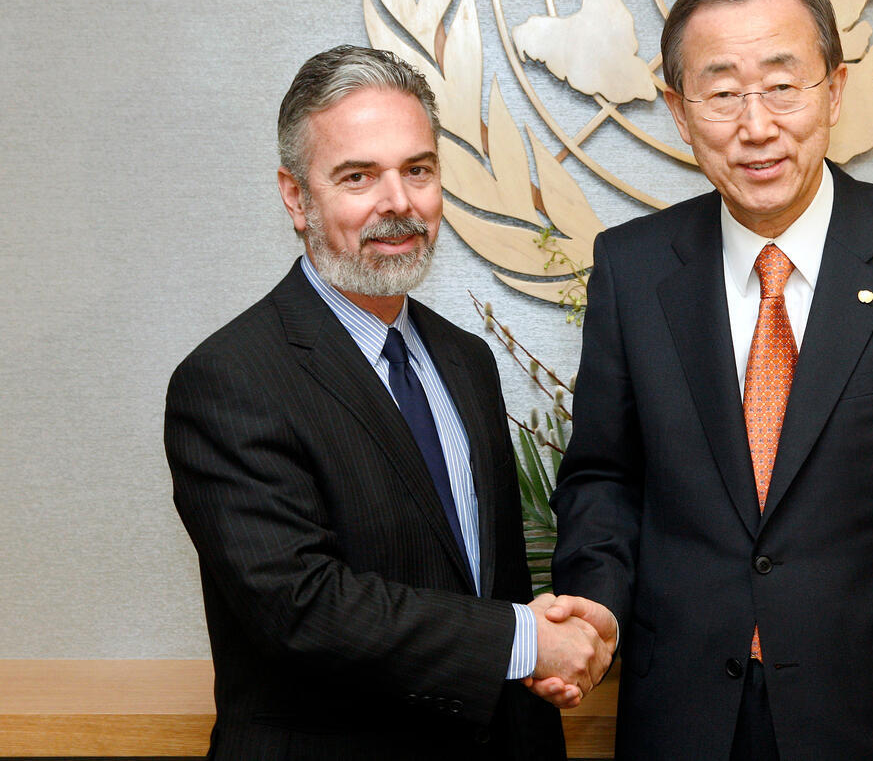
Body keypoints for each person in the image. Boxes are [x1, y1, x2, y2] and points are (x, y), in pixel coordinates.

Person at [549, 0, 873, 760]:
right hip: (683, 717)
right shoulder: (632, 268)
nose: (757, 124)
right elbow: (605, 477)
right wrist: (597, 605)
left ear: (835, 91)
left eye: (783, 86)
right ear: (678, 111)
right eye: (721, 92)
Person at [165, 45, 612, 760]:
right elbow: (303, 606)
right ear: (295, 197)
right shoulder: (228, 380)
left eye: (418, 170)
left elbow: (490, 587)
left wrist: (547, 645)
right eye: (358, 176)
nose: (398, 202)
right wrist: (525, 640)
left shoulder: (466, 360)